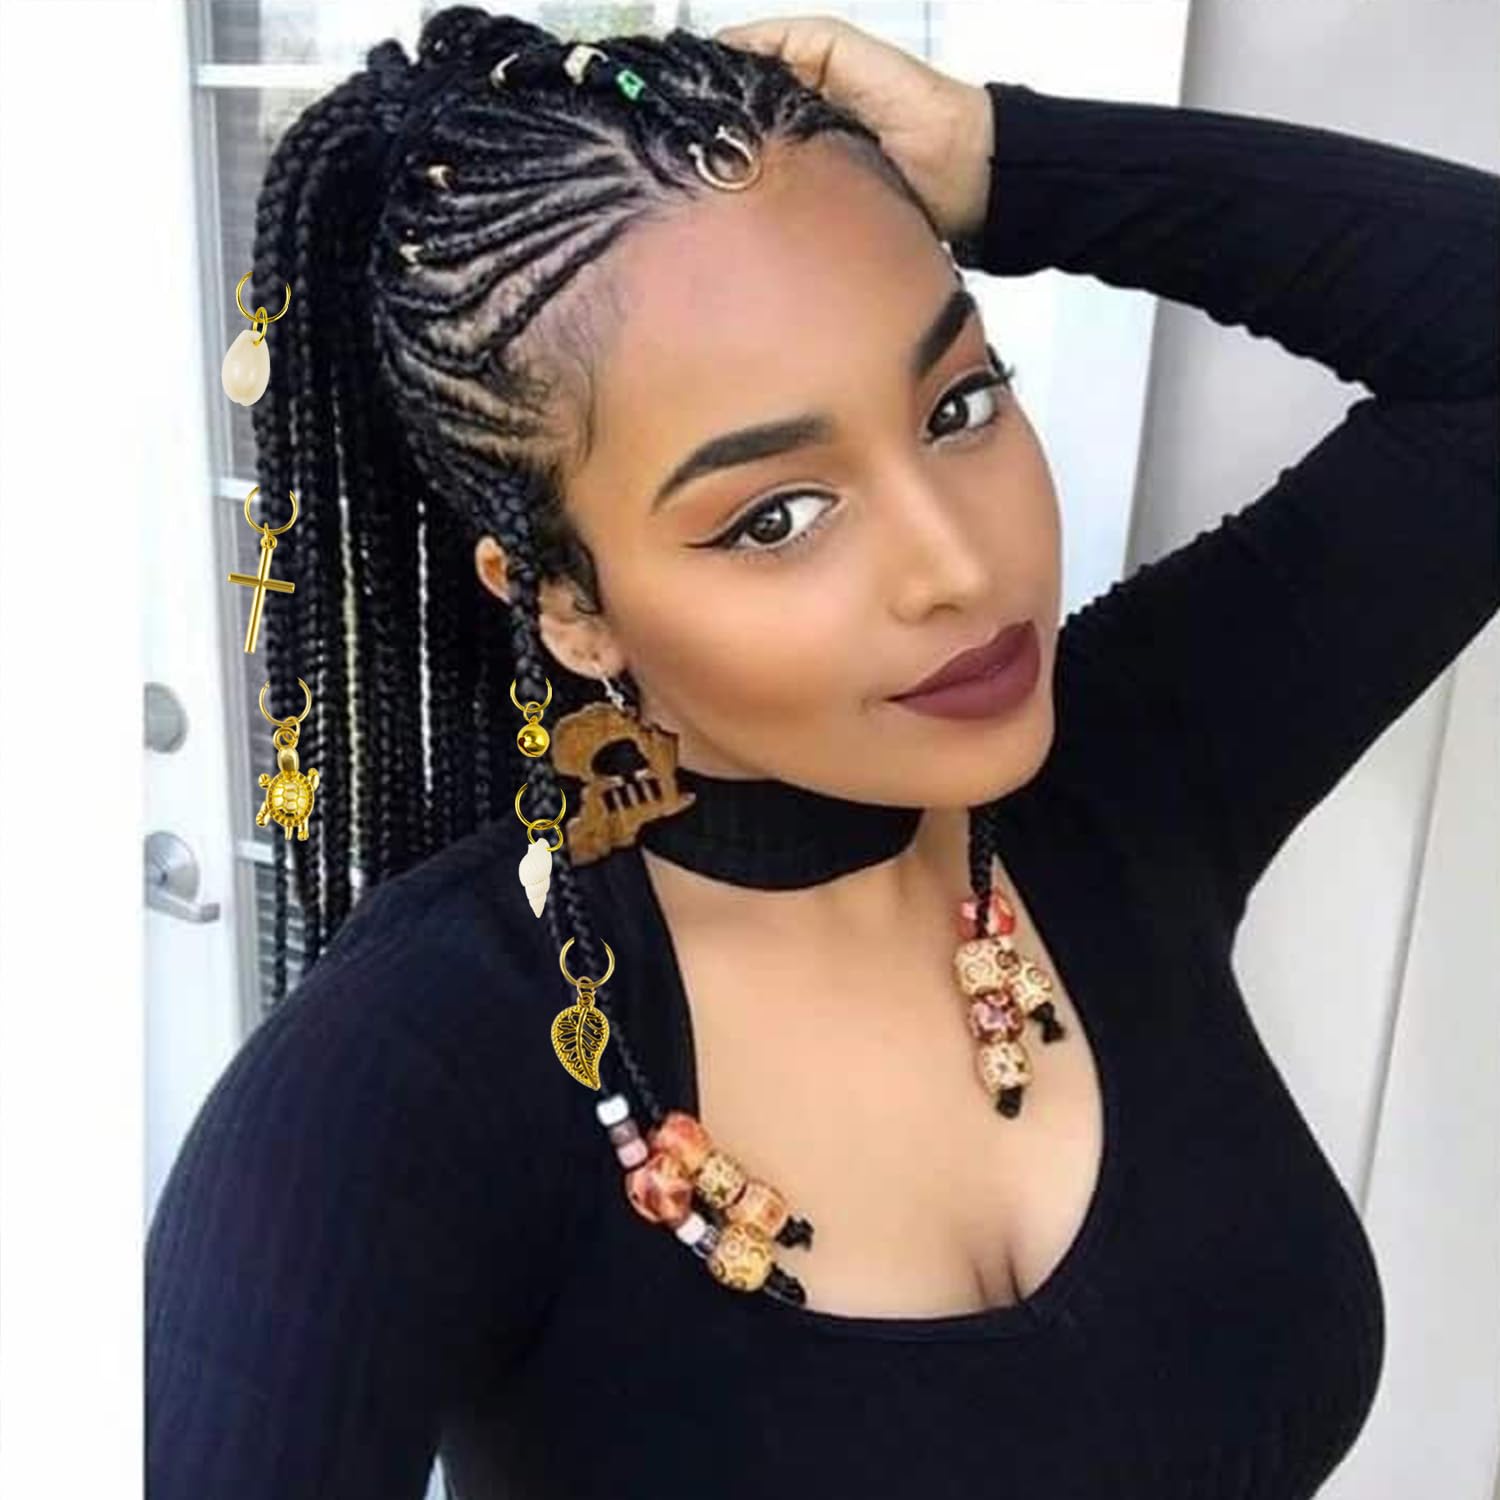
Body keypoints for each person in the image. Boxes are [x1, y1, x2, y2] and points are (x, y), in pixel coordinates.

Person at [145, 7, 1499, 1497]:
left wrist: (1002, 157)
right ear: (573, 609)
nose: (960, 567)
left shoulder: (1125, 774)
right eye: (775, 516)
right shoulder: (395, 1085)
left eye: (960, 405)